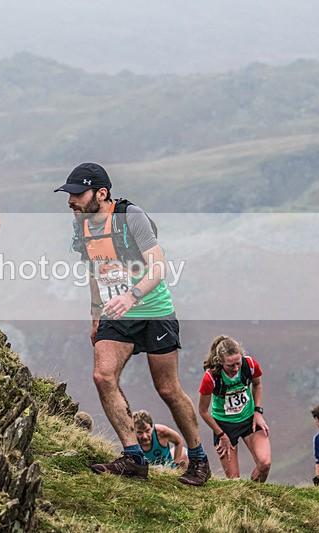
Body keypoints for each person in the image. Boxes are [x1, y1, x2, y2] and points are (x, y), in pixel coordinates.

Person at [54, 162, 210, 486]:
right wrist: (96, 316)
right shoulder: (81, 226)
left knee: (167, 388)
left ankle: (198, 459)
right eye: (69, 195)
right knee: (102, 375)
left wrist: (133, 295)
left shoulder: (130, 216)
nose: (71, 202)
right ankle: (133, 458)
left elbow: (158, 266)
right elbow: (94, 271)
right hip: (115, 312)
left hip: (153, 308)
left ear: (101, 193)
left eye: (77, 194)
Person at [198, 335, 271, 482]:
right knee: (234, 481)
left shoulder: (249, 365)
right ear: (220, 362)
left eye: (237, 363)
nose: (235, 368)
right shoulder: (211, 377)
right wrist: (221, 435)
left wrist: (258, 411)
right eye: (230, 366)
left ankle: (255, 493)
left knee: (264, 464)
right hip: (224, 425)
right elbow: (203, 410)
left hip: (249, 419)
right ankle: (243, 498)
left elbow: (257, 385)